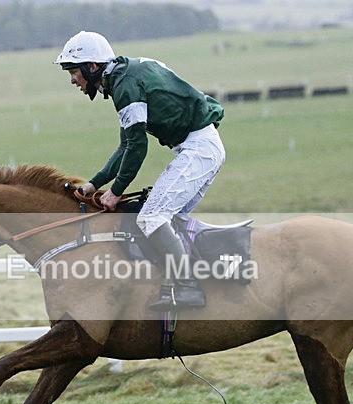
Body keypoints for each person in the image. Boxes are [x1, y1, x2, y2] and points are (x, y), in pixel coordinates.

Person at [55, 31, 226, 311]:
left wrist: (115, 192)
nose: (73, 80)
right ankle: (185, 281)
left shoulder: (125, 86)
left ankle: (189, 288)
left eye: (74, 72)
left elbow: (137, 147)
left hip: (199, 149)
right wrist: (94, 183)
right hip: (198, 147)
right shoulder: (123, 76)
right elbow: (125, 146)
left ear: (92, 67)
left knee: (152, 217)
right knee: (164, 220)